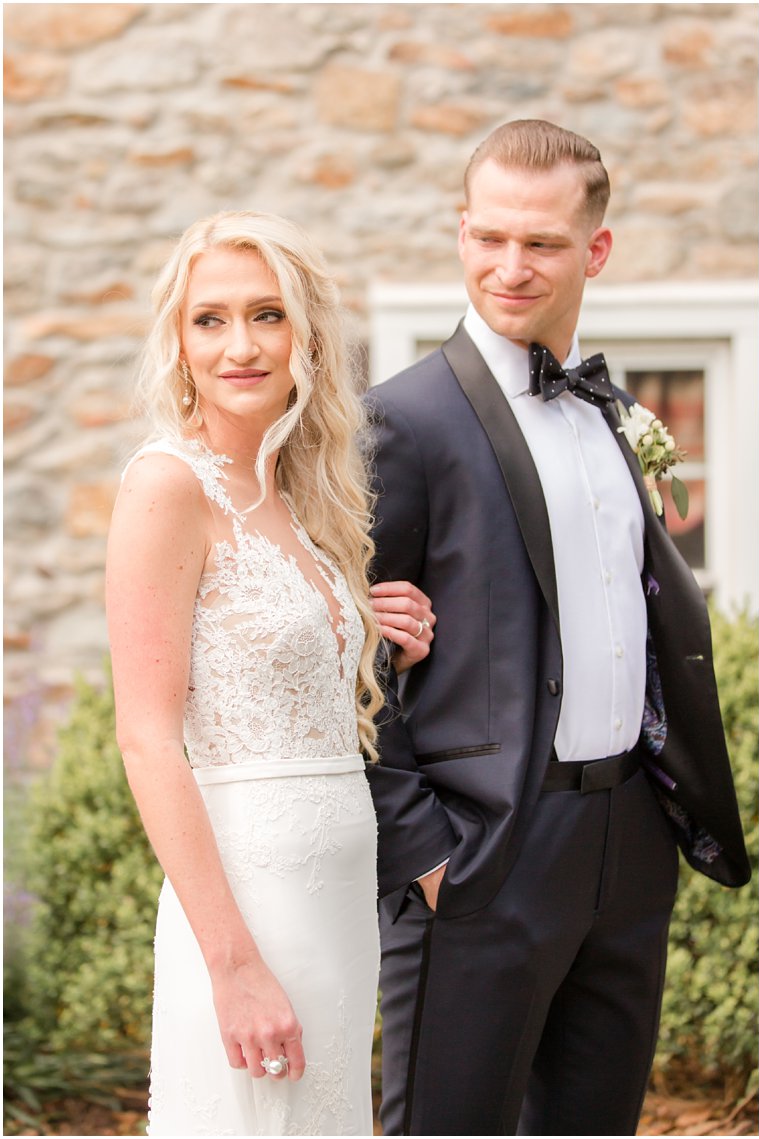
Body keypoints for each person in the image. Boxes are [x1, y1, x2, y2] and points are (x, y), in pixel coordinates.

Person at [365, 119, 750, 1136]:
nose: (510, 265)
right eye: (488, 237)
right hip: (484, 847)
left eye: (539, 242)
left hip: (625, 840)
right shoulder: (401, 422)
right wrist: (424, 853)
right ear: (459, 231)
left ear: (597, 249)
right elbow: (348, 663)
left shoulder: (616, 411)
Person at [106, 211, 436, 1134]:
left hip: (337, 906)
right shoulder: (167, 486)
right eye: (210, 318)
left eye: (267, 314)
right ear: (179, 341)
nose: (240, 344)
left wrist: (367, 615)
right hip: (249, 905)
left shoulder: (301, 494)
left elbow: (274, 659)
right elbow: (146, 735)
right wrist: (234, 965)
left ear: (309, 337)